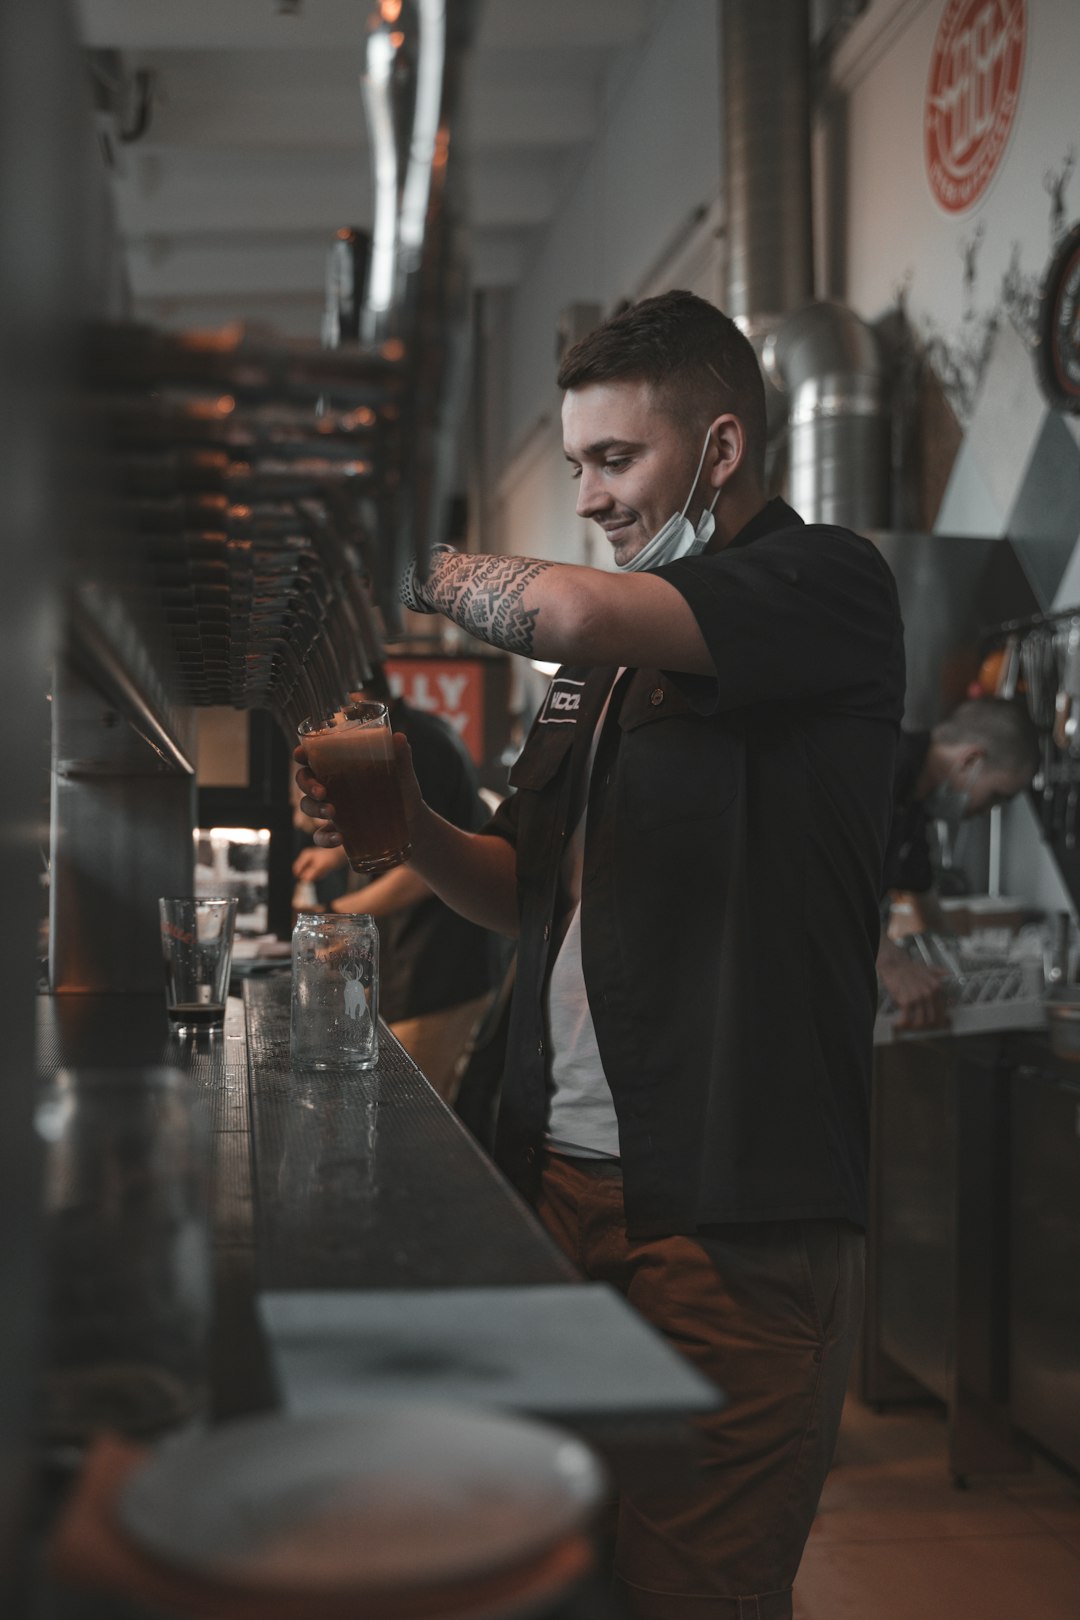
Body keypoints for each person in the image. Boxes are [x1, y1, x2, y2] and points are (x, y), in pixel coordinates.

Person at [297, 290, 905, 1620]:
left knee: (694, 1587)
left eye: (614, 460)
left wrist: (395, 555)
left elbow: (567, 610)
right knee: (548, 1575)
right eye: (575, 464)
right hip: (551, 1181)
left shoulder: (827, 588)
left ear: (722, 449)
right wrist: (410, 824)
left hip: (729, 1213)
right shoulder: (594, 677)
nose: (590, 495)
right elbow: (525, 890)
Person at [293, 669, 501, 1101]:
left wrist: (336, 913)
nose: (329, 725)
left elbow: (417, 872)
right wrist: (334, 849)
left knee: (407, 1111)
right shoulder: (416, 731)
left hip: (436, 969)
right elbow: (390, 827)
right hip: (415, 964)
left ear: (352, 697)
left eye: (331, 714)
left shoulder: (415, 745)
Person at [877, 697, 1038, 1030]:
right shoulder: (880, 766)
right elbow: (819, 879)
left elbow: (922, 894)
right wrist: (892, 963)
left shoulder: (916, 801)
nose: (988, 809)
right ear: (971, 761)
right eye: (996, 795)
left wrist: (960, 964)